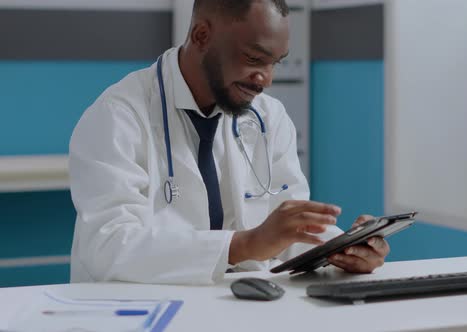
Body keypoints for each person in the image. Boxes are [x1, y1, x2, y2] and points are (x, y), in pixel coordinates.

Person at [69, 0, 389, 285]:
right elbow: (108, 246)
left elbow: (287, 230)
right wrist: (243, 245)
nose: (266, 79)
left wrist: (340, 249)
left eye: (274, 63)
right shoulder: (117, 116)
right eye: (254, 59)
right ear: (201, 36)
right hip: (141, 314)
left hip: (237, 310)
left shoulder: (269, 117)